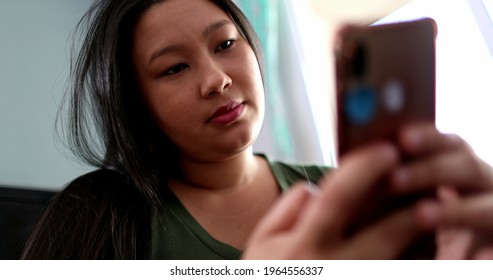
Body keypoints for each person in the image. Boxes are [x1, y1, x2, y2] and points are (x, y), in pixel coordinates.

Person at [22, 0, 493, 260]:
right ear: (135, 104)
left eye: (226, 43)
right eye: (174, 69)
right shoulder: (95, 213)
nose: (217, 79)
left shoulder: (342, 188)